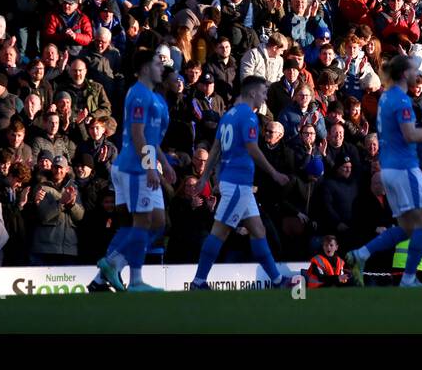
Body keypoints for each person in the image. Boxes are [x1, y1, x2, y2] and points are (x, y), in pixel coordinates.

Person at [345, 54, 422, 287]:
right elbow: (410, 134)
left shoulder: (391, 97)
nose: (419, 73)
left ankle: (362, 255)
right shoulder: (402, 101)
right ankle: (407, 278)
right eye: (415, 69)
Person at [190, 76, 299, 291]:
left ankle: (277, 281)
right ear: (251, 93)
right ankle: (198, 281)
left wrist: (205, 177)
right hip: (237, 184)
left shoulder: (228, 115)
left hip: (240, 185)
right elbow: (252, 148)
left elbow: (216, 148)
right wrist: (274, 173)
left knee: (258, 231)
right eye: (262, 92)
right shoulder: (248, 116)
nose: (265, 96)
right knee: (219, 232)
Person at [90, 50, 174, 292]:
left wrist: (165, 163)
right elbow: (137, 135)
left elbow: (150, 137)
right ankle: (135, 280)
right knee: (143, 221)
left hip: (136, 165)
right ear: (146, 68)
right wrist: (149, 167)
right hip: (133, 168)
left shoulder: (150, 96)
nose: (162, 69)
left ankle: (108, 269)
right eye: (158, 65)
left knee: (156, 221)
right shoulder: (138, 94)